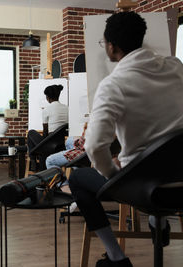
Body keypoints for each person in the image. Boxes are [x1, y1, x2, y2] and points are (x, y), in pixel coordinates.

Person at [68, 12, 183, 267]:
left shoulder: (113, 85)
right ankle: (158, 221)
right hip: (180, 182)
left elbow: (95, 146)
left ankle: (117, 258)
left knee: (77, 178)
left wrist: (112, 174)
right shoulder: (176, 68)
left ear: (112, 46)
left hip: (144, 185)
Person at [27, 84, 68, 171]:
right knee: (42, 148)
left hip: (50, 144)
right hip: (61, 144)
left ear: (48, 97)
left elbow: (45, 132)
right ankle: (34, 158)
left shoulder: (47, 110)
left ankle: (33, 160)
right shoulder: (67, 108)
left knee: (31, 133)